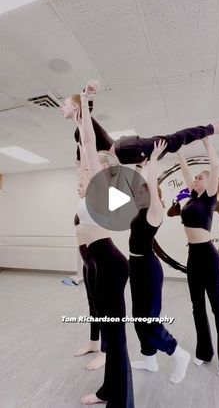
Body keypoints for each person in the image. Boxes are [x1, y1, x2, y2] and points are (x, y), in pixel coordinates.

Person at [71, 82, 134, 407]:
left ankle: (117, 396)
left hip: (109, 263)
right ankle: (111, 389)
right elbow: (85, 144)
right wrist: (82, 113)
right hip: (98, 261)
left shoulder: (109, 188)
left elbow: (93, 145)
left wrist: (87, 101)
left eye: (96, 163)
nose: (89, 164)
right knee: (110, 332)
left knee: (116, 336)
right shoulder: (93, 187)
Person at [128, 141, 190, 383]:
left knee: (149, 320)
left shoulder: (156, 212)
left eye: (144, 193)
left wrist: (153, 160)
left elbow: (151, 187)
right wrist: (139, 167)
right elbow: (137, 187)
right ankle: (150, 360)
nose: (139, 194)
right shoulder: (141, 210)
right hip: (136, 266)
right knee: (139, 318)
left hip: (147, 269)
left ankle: (177, 353)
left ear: (155, 196)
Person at [177, 137, 219, 378]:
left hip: (209, 258)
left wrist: (206, 141)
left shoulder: (210, 195)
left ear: (209, 183)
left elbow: (214, 167)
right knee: (197, 308)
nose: (196, 179)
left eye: (200, 178)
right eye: (197, 178)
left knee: (218, 308)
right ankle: (204, 352)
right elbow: (184, 170)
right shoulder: (193, 197)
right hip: (194, 257)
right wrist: (178, 148)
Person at [61, 86, 219, 165]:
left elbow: (87, 109)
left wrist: (88, 96)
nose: (62, 108)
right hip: (129, 157)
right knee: (169, 147)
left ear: (76, 106)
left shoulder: (85, 122)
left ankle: (213, 127)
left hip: (128, 148)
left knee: (174, 140)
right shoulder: (78, 134)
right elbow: (80, 160)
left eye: (65, 104)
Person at [73, 212, 106, 371]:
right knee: (92, 306)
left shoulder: (97, 210)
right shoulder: (82, 210)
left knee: (103, 308)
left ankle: (106, 351)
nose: (78, 187)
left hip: (98, 263)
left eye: (81, 184)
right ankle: (94, 343)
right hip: (87, 264)